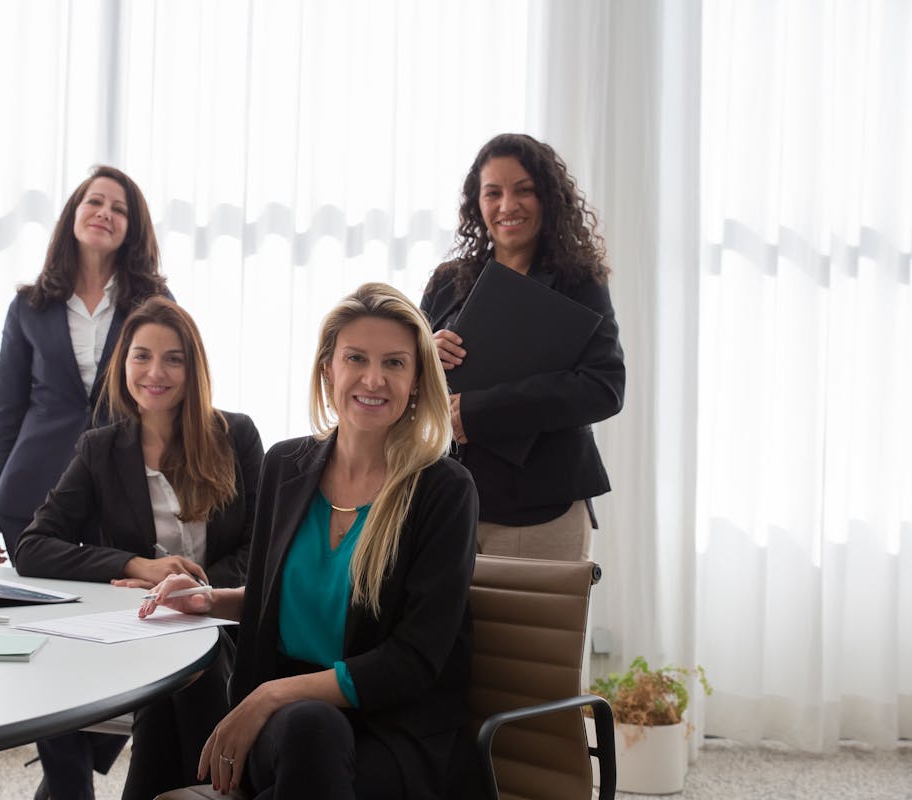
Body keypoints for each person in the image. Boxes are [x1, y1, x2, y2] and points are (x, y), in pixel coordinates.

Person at [140, 283, 479, 800]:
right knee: (301, 727)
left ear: (415, 381)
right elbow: (290, 597)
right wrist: (211, 601)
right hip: (291, 727)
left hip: (391, 729)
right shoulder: (286, 466)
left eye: (394, 363)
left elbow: (415, 659)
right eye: (356, 359)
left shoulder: (443, 490)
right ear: (329, 370)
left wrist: (271, 696)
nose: (373, 379)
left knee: (309, 733)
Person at [14, 296, 264, 800]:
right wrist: (137, 565)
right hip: (145, 626)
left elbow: (263, 542)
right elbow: (33, 546)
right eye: (142, 356)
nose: (156, 371)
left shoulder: (235, 435)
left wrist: (196, 591)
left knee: (193, 669)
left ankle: (215, 788)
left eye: (173, 358)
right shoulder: (100, 449)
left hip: (228, 621)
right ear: (122, 363)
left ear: (193, 368)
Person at [420, 133, 625, 562]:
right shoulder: (444, 282)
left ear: (548, 198)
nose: (507, 205)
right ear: (477, 203)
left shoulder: (579, 284)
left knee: (538, 633)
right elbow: (402, 393)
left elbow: (603, 387)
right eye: (493, 193)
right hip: (446, 507)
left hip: (542, 509)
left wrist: (475, 412)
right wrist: (421, 361)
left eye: (524, 190)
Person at [0, 165, 169, 565]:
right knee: (34, 619)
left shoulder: (154, 303)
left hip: (121, 489)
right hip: (30, 491)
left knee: (114, 613)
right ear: (73, 214)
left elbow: (172, 398)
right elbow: (5, 414)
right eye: (94, 202)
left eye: (119, 209)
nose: (103, 212)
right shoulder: (29, 307)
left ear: (131, 229)